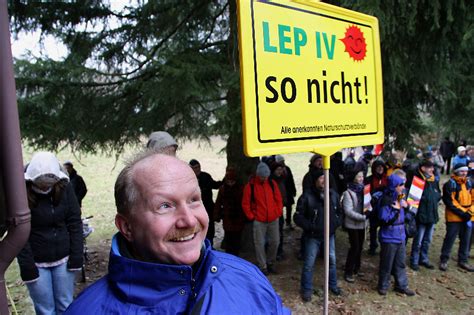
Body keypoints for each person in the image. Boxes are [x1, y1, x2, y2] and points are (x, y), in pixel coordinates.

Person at [65, 153, 290, 314]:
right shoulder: (89, 309)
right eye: (165, 206)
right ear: (127, 227)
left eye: (194, 200)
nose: (189, 220)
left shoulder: (247, 278)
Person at [19, 152, 83, 314]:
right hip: (37, 262)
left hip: (63, 258)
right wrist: (27, 266)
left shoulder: (65, 187)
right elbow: (19, 233)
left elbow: (74, 221)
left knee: (66, 305)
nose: (45, 188)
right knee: (45, 310)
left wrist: (76, 256)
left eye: (49, 185)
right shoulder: (21, 193)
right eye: (41, 185)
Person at [294, 169, 342, 302]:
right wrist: (311, 227)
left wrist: (336, 223)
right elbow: (298, 217)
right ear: (316, 181)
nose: (324, 180)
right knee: (309, 263)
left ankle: (332, 285)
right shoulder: (306, 197)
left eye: (326, 177)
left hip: (330, 235)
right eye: (321, 178)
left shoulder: (333, 195)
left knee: (332, 261)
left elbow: (340, 212)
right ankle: (307, 289)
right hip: (313, 236)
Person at [377, 172, 415, 296]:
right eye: (401, 185)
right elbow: (384, 219)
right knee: (386, 263)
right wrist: (396, 210)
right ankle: (383, 285)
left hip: (400, 235)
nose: (403, 187)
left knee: (400, 262)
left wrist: (407, 207)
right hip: (389, 236)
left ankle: (401, 285)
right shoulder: (385, 199)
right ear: (394, 185)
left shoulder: (400, 196)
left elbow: (407, 213)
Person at [242, 162, 283, 275]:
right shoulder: (250, 186)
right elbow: (245, 204)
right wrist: (252, 216)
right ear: (257, 175)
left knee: (275, 242)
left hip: (273, 219)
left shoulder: (272, 183)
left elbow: (278, 199)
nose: (264, 179)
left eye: (266, 176)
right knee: (259, 243)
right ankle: (263, 266)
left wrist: (278, 212)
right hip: (259, 220)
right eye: (262, 177)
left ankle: (271, 262)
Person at [439, 163, 474, 272]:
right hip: (454, 217)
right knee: (450, 238)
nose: (464, 173)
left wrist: (470, 212)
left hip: (468, 216)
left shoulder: (469, 183)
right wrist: (464, 213)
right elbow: (450, 202)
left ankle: (463, 260)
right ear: (456, 171)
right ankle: (444, 260)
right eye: (462, 171)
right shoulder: (450, 184)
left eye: (466, 171)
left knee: (466, 239)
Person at [408, 160, 441, 270]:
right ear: (423, 168)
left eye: (432, 167)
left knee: (428, 240)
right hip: (421, 216)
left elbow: (438, 194)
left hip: (432, 215)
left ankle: (424, 259)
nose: (432, 169)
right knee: (418, 240)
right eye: (429, 167)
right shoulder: (417, 180)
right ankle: (414, 260)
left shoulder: (434, 181)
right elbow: (412, 200)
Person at [342, 169, 369, 283]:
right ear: (353, 178)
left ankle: (356, 268)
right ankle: (348, 271)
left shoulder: (365, 190)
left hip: (362, 224)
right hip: (352, 224)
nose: (361, 179)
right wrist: (362, 217)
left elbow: (368, 204)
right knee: (355, 247)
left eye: (362, 177)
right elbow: (348, 210)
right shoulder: (348, 193)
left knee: (360, 247)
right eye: (358, 177)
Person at [189, 159, 222, 246]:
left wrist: (224, 181)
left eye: (198, 167)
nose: (197, 169)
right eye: (195, 168)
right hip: (195, 209)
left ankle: (210, 246)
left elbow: (214, 185)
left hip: (208, 207)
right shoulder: (188, 180)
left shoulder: (206, 176)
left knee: (210, 228)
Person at [213, 166, 245, 256]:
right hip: (228, 219)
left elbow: (245, 203)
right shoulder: (223, 189)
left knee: (237, 241)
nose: (230, 183)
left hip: (238, 218)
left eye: (232, 181)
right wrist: (216, 215)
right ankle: (230, 256)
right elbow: (218, 203)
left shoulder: (241, 189)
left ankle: (236, 256)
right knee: (229, 240)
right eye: (229, 181)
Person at [365, 160, 388, 255]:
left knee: (384, 228)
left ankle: (383, 248)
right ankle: (373, 247)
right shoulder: (369, 179)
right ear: (374, 168)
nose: (380, 168)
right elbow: (366, 194)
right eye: (378, 167)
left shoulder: (387, 179)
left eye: (382, 167)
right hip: (373, 208)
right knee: (373, 228)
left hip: (384, 208)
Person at [275, 155, 297, 229]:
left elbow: (291, 180)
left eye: (283, 161)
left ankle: (288, 222)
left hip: (288, 191)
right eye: (281, 161)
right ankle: (280, 223)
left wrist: (293, 190)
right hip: (280, 192)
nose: (283, 163)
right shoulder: (275, 170)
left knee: (289, 207)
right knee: (280, 208)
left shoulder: (287, 169)